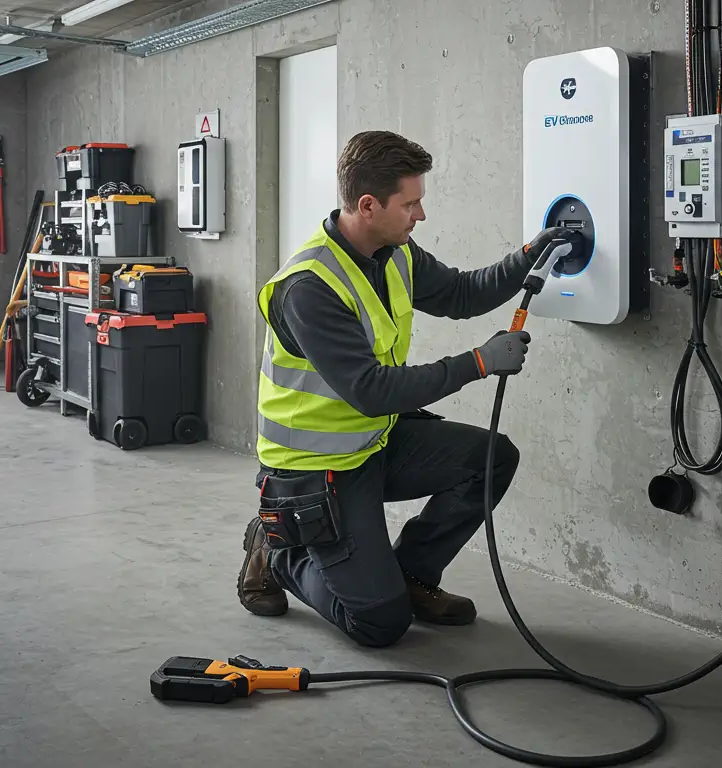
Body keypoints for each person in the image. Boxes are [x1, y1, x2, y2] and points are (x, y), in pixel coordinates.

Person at [236, 130, 574, 648]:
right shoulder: (309, 289)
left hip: (373, 442)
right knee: (379, 625)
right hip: (316, 468)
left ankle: (410, 573)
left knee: (491, 458)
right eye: (411, 203)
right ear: (368, 205)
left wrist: (527, 254)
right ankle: (282, 554)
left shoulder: (395, 253)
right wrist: (478, 362)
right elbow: (370, 389)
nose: (420, 215)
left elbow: (461, 293)